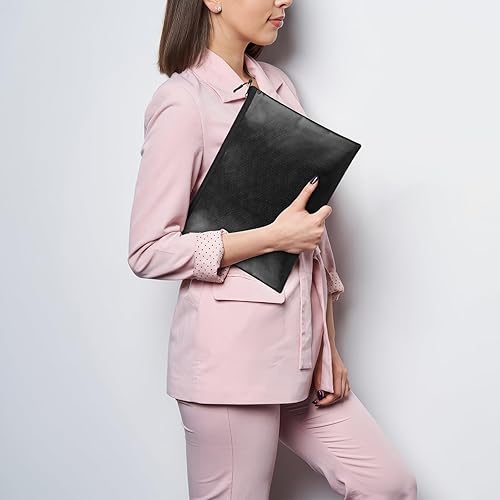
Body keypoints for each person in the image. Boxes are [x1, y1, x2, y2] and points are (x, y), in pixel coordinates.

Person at [127, 0, 418, 498]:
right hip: (229, 364)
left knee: (389, 485)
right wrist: (270, 237)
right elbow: (148, 249)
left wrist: (328, 348)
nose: (285, 0)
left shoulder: (278, 86)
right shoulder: (183, 102)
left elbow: (311, 232)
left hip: (299, 354)